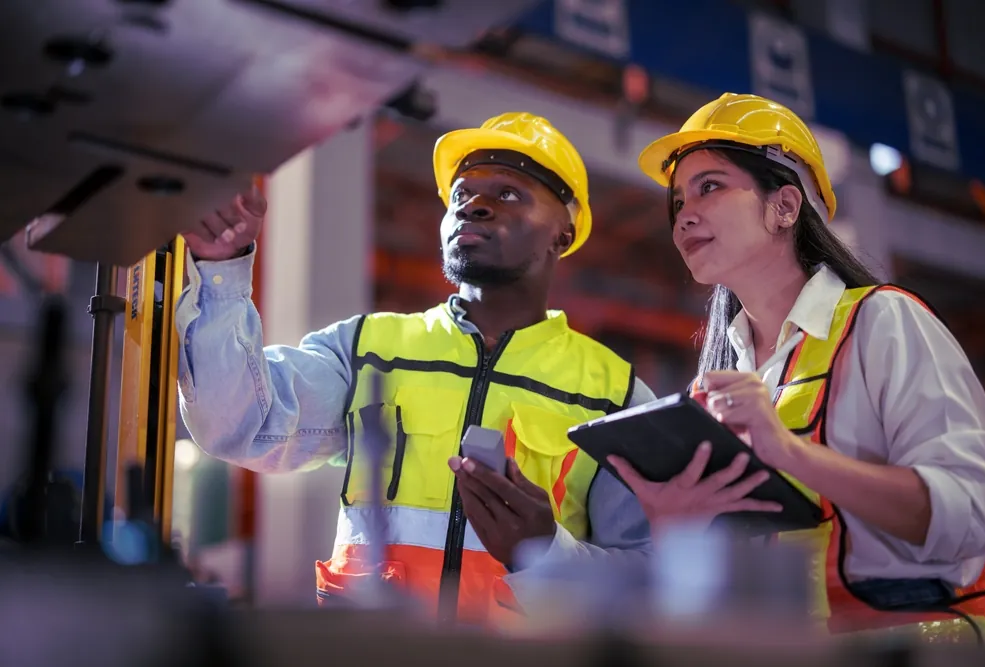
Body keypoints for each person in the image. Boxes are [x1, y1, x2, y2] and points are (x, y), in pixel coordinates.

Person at [175, 111, 655, 625]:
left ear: (563, 233)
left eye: (509, 194)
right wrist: (222, 270)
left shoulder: (614, 396)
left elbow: (651, 584)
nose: (475, 206)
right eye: (461, 195)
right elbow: (238, 423)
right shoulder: (369, 349)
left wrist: (546, 553)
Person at [610, 92, 985, 642]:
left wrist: (790, 453)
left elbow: (967, 522)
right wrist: (678, 527)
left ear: (785, 207)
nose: (684, 215)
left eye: (710, 186)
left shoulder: (883, 323)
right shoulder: (712, 385)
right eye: (677, 201)